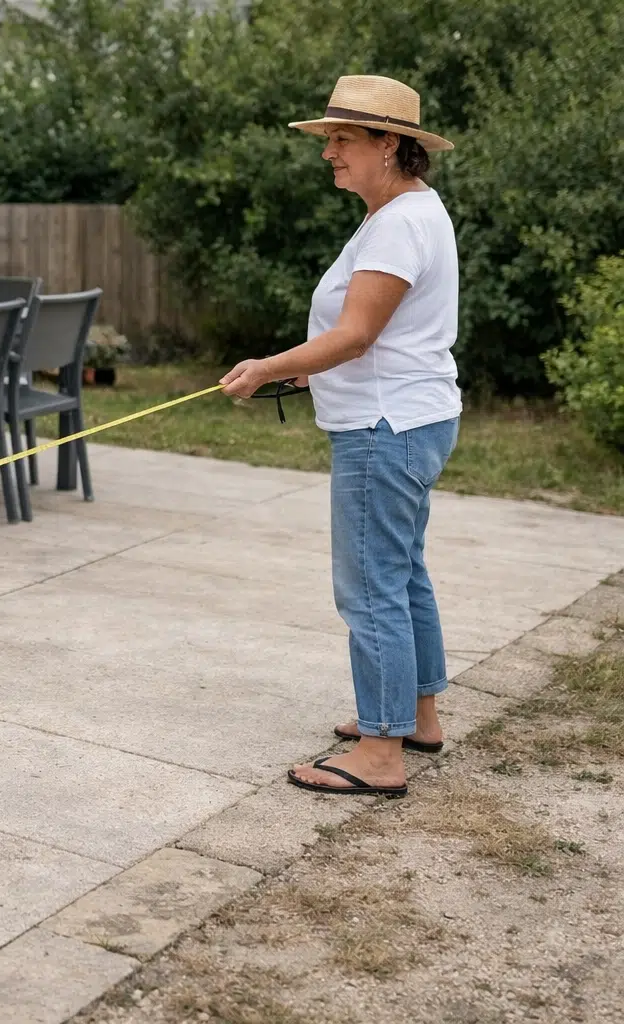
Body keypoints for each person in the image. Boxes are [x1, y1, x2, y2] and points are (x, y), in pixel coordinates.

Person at [220, 75, 461, 799]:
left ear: (389, 144)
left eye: (342, 138)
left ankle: (381, 753)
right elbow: (379, 336)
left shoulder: (398, 223)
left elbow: (356, 335)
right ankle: (416, 719)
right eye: (328, 139)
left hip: (384, 428)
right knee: (402, 572)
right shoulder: (406, 212)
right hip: (410, 418)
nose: (328, 151)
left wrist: (267, 367)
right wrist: (304, 371)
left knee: (371, 585)